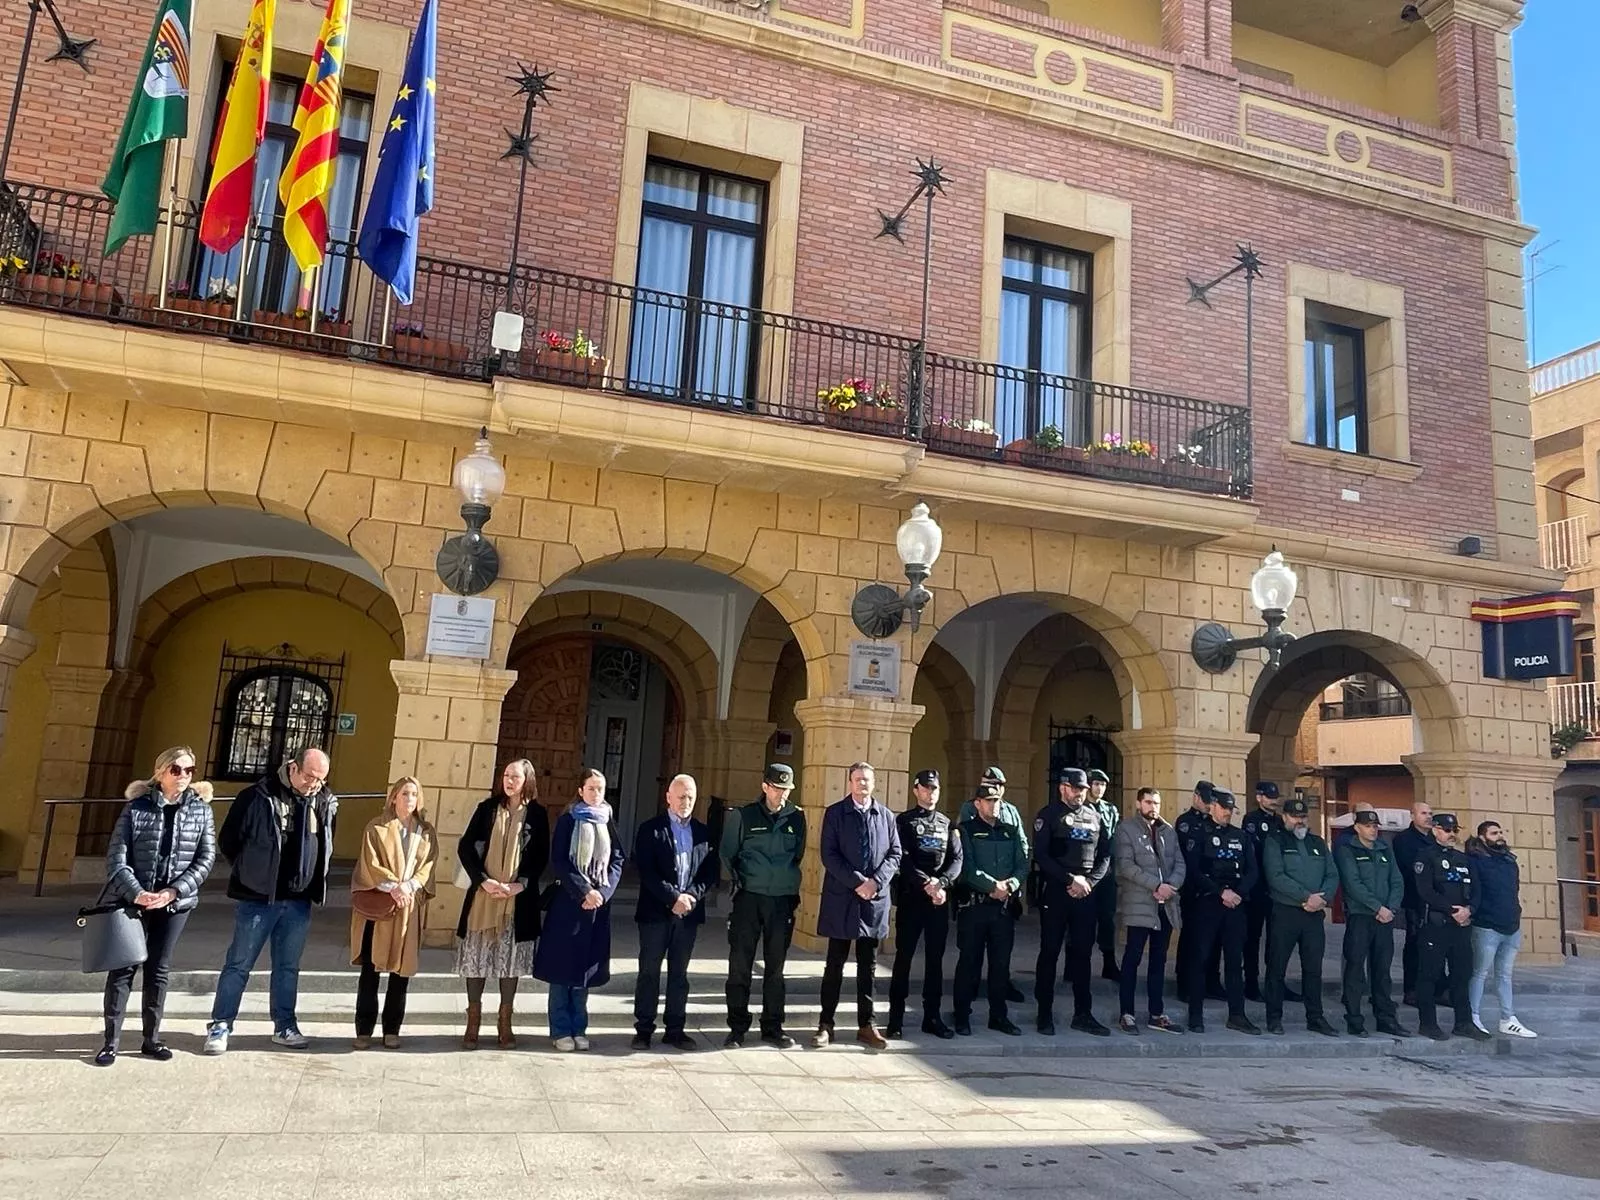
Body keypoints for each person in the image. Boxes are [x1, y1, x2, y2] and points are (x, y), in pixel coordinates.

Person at [204, 746, 337, 1055]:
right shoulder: (256, 796)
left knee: (288, 967)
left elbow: (325, 844)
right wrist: (253, 873)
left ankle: (285, 1025)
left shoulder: (325, 801)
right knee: (239, 964)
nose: (313, 784)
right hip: (257, 898)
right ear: (292, 767)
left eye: (320, 779)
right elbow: (229, 841)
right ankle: (221, 1024)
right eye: (309, 777)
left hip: (299, 900)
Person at [96, 746, 216, 1066]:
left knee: (158, 969)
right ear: (161, 772)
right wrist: (136, 893)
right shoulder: (136, 808)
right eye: (176, 770)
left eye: (189, 770)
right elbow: (116, 858)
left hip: (175, 904)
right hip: (133, 902)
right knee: (123, 969)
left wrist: (174, 891)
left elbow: (205, 859)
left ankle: (151, 1039)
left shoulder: (201, 810)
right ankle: (111, 1041)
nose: (184, 776)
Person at [454, 759, 548, 1049]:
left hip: (516, 900)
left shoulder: (537, 814)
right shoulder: (487, 809)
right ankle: (473, 1023)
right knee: (477, 960)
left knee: (509, 964)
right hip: (484, 897)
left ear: (527, 780)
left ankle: (505, 1024)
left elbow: (542, 855)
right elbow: (465, 846)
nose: (508, 780)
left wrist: (520, 885)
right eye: (506, 775)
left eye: (515, 776)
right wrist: (483, 880)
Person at [534, 768, 626, 1050]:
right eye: (591, 788)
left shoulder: (607, 819)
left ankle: (579, 1028)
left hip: (597, 908)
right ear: (580, 791)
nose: (596, 794)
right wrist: (584, 890)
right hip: (570, 903)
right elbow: (560, 860)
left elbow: (618, 859)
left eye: (600, 789)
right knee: (563, 970)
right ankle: (560, 1029)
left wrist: (603, 892)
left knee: (584, 970)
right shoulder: (568, 820)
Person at [813, 761, 902, 1049]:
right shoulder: (836, 813)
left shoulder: (886, 815)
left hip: (873, 901)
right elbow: (829, 853)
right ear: (849, 783)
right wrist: (857, 882)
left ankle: (867, 1025)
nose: (863, 784)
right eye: (858, 779)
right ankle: (826, 1024)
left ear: (874, 784)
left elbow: (895, 854)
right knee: (834, 964)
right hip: (843, 898)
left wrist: (875, 882)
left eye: (867, 780)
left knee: (869, 966)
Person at [632, 774, 719, 1051]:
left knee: (679, 974)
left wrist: (691, 896)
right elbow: (647, 871)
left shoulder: (704, 832)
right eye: (681, 796)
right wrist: (673, 898)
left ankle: (675, 1030)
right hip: (656, 913)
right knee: (649, 971)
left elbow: (709, 871)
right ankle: (644, 1029)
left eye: (691, 797)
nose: (686, 802)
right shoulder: (650, 829)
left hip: (688, 914)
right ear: (668, 797)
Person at [722, 763, 806, 1049]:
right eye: (777, 787)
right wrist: (743, 882)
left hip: (781, 901)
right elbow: (728, 854)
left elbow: (798, 854)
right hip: (749, 898)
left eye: (786, 789)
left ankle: (772, 1026)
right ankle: (737, 1027)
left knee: (776, 968)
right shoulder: (744, 816)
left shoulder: (797, 817)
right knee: (740, 965)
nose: (781, 794)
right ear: (765, 786)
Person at [350, 776, 437, 1049]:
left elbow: (429, 865)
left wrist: (409, 886)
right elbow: (370, 864)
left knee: (401, 972)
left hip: (408, 907)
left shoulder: (426, 831)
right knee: (370, 971)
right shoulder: (376, 827)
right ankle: (364, 1030)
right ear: (393, 797)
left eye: (414, 794)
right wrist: (393, 887)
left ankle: (392, 1029)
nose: (409, 799)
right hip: (380, 905)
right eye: (404, 793)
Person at [1032, 766, 1110, 1036]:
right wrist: (1069, 880)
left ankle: (1083, 1013)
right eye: (1076, 789)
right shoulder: (1048, 815)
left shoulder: (1094, 816)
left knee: (1083, 955)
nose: (1080, 794)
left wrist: (1089, 882)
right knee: (1050, 952)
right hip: (1057, 892)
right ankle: (1044, 1014)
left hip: (1085, 894)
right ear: (1063, 787)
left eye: (1083, 789)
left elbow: (1105, 856)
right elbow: (1041, 856)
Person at [887, 768, 962, 1040]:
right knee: (904, 958)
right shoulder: (904, 822)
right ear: (916, 790)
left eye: (935, 789)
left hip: (938, 902)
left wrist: (941, 884)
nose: (931, 794)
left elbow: (956, 860)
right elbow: (903, 859)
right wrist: (926, 884)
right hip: (912, 899)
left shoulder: (946, 823)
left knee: (935, 961)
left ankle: (932, 1017)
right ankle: (895, 1019)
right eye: (926, 788)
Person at [1181, 787, 1260, 1035]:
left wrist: (1237, 893)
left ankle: (1237, 1015)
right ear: (1213, 806)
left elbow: (1252, 871)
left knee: (1235, 961)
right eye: (1224, 808)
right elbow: (1193, 871)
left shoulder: (1241, 836)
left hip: (1235, 904)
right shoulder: (1198, 834)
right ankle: (1195, 1015)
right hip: (1208, 902)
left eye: (1231, 809)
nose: (1228, 813)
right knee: (1201, 958)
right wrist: (1219, 892)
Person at [952, 783, 1028, 1036]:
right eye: (987, 801)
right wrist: (991, 885)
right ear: (977, 804)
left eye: (996, 801)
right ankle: (962, 1016)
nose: (992, 805)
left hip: (1002, 909)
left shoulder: (1010, 831)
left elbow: (1022, 862)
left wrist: (1012, 884)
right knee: (969, 964)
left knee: (1000, 966)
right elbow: (966, 868)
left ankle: (999, 1016)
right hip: (975, 907)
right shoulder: (966, 830)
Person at [1261, 797, 1339, 1037]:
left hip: (1314, 915)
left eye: (1303, 817)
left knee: (1313, 968)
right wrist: (1306, 897)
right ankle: (1274, 1018)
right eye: (1295, 817)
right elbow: (1276, 876)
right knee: (1277, 967)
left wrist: (1321, 898)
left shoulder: (1317, 843)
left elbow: (1332, 874)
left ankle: (1315, 1017)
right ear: (1284, 817)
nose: (1300, 821)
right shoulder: (1275, 841)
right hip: (1286, 912)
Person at [1413, 813, 1492, 1042]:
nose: (1452, 835)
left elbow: (1477, 889)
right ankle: (1427, 1023)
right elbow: (1426, 891)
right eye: (1448, 830)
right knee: (1429, 974)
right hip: (1437, 924)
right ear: (1436, 830)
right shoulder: (1425, 856)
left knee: (1462, 975)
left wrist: (1470, 910)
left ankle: (1464, 1022)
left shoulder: (1463, 859)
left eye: (1454, 831)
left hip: (1462, 926)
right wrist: (1452, 910)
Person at [1112, 786, 1184, 1034]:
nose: (1153, 807)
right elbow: (1125, 866)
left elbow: (1180, 863)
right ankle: (1127, 1013)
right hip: (1139, 905)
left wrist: (1171, 885)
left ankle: (1157, 1013)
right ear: (1138, 803)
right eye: (1148, 802)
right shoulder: (1126, 829)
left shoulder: (1169, 831)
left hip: (1166, 906)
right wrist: (1155, 885)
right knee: (1132, 959)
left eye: (1156, 803)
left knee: (1159, 961)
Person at [1334, 809, 1409, 1038]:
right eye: (1368, 826)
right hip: (1361, 916)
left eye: (1375, 826)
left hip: (1385, 918)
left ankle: (1385, 1018)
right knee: (1355, 968)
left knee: (1382, 971)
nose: (1373, 829)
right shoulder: (1348, 849)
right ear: (1357, 827)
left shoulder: (1384, 849)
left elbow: (1396, 880)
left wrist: (1391, 909)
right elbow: (1353, 883)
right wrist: (1378, 907)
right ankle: (1354, 1018)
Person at [1466, 820, 1536, 1038]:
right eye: (1494, 833)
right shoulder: (1474, 860)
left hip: (1511, 925)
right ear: (1482, 837)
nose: (1500, 835)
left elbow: (1513, 890)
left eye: (1501, 831)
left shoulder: (1508, 860)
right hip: (1487, 926)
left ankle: (1508, 1018)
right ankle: (1473, 1016)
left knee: (1505, 975)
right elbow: (1473, 891)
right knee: (1479, 973)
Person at [1240, 781, 1284, 1003]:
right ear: (1259, 797)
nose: (1273, 800)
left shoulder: (1279, 822)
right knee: (1252, 938)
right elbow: (1255, 852)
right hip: (1257, 887)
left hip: (1276, 889)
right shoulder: (1251, 820)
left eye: (1275, 796)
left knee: (1277, 940)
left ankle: (1277, 983)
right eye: (1268, 796)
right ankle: (1250, 983)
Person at [1173, 779, 1215, 1005]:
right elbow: (1184, 859)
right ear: (1196, 797)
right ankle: (1184, 984)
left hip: (1212, 891)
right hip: (1191, 889)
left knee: (1210, 941)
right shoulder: (1185, 823)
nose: (1209, 806)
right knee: (1190, 938)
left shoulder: (1212, 822)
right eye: (1206, 801)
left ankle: (1209, 982)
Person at [1393, 800, 1434, 1007]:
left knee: (1435, 947)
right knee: (1414, 945)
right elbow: (1409, 870)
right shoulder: (1404, 840)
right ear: (1413, 815)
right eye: (1423, 813)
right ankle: (1411, 990)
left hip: (1434, 902)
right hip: (1413, 900)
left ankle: (1435, 988)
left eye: (1430, 813)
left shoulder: (1434, 838)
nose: (1428, 817)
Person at [1086, 768, 1121, 982]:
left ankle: (1109, 963)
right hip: (1085, 869)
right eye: (1095, 784)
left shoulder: (1110, 809)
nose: (1099, 788)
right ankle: (1074, 964)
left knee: (1107, 918)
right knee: (1081, 920)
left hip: (1106, 871)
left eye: (1102, 784)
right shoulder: (1080, 807)